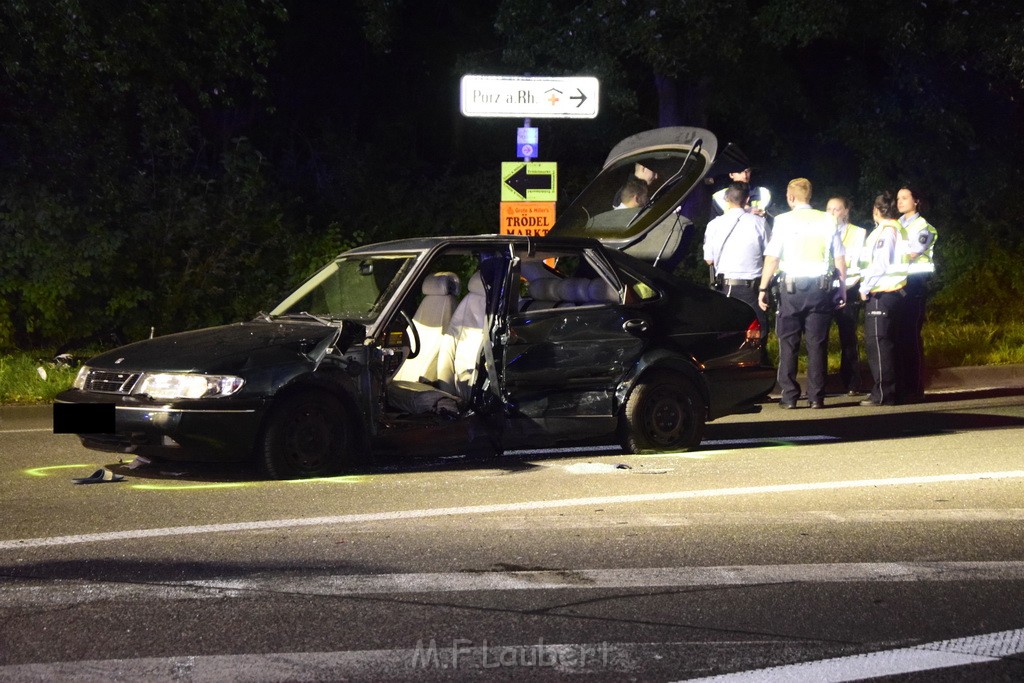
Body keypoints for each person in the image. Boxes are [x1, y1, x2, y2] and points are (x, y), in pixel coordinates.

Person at [757, 178, 846, 409]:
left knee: (789, 343)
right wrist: (842, 289)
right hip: (821, 289)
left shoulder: (783, 221)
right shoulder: (828, 220)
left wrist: (763, 288)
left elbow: (773, 257)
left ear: (790, 197)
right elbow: (839, 257)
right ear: (810, 196)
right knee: (817, 344)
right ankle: (816, 397)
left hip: (791, 289)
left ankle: (789, 397)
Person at [859, 191, 909, 406]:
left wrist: (865, 286)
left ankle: (883, 393)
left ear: (876, 210)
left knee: (878, 344)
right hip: (893, 293)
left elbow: (880, 264)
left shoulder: (886, 231)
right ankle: (892, 391)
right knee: (888, 344)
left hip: (882, 292)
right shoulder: (895, 228)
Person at [704, 182, 768, 341]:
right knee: (758, 334)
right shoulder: (759, 223)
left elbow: (709, 260)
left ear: (726, 199)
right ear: (747, 199)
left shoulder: (713, 225)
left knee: (727, 335)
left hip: (724, 287)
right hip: (751, 289)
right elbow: (771, 255)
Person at [896, 184, 937, 401]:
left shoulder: (924, 227)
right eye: (898, 198)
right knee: (899, 336)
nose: (899, 202)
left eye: (904, 198)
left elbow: (912, 253)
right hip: (898, 284)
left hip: (915, 285)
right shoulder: (895, 225)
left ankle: (915, 387)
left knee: (911, 336)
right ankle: (903, 386)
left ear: (916, 201)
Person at [826, 196, 867, 395]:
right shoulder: (821, 232)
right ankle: (820, 383)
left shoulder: (858, 233)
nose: (832, 213)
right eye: (829, 209)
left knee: (848, 337)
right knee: (819, 338)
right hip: (824, 289)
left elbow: (855, 260)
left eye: (836, 209)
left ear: (846, 211)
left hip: (848, 287)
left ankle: (852, 382)